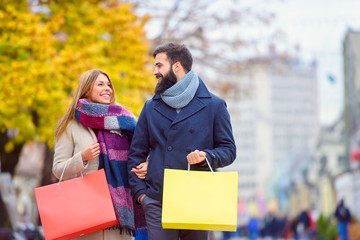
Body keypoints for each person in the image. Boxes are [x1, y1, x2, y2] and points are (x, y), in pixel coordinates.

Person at [127, 43, 236, 240]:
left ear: (176, 66)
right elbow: (135, 154)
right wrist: (143, 196)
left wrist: (206, 156)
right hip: (157, 201)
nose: (154, 72)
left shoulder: (214, 106)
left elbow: (228, 150)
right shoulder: (151, 107)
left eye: (159, 66)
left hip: (196, 199)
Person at [53, 69, 147, 240]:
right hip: (87, 210)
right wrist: (81, 157)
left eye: (109, 85)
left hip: (121, 213)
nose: (107, 88)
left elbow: (142, 153)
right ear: (87, 89)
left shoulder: (127, 120)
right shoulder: (70, 126)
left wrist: (145, 166)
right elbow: (58, 170)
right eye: (100, 84)